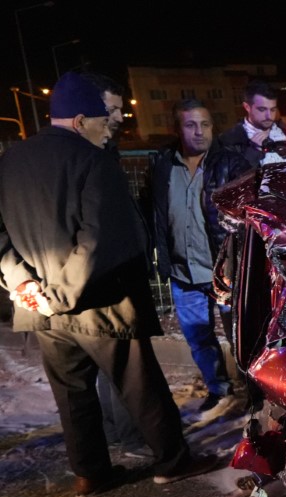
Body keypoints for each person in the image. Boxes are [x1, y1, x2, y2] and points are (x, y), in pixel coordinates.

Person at [0, 72, 215, 496]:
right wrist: (60, 295)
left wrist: (23, 283)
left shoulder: (9, 161)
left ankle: (90, 473)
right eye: (104, 119)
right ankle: (172, 461)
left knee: (72, 395)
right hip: (100, 303)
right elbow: (100, 240)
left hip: (39, 308)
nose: (110, 126)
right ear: (80, 121)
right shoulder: (94, 161)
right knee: (141, 385)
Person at [149, 99, 248, 417]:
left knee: (242, 337)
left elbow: (249, 214)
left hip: (226, 274)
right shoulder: (163, 164)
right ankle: (219, 390)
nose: (199, 131)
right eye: (191, 125)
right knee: (198, 339)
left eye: (205, 124)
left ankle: (252, 392)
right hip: (183, 274)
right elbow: (155, 213)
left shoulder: (231, 164)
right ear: (177, 128)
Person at [86, 74, 151, 457]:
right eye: (109, 108)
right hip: (103, 273)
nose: (117, 116)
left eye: (119, 108)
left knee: (110, 362)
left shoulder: (104, 149)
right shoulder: (89, 155)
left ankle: (117, 431)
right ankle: (129, 435)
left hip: (109, 269)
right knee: (119, 361)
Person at [213, 81, 286, 168]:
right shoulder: (230, 140)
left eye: (273, 109)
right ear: (247, 107)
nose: (269, 116)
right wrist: (253, 152)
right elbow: (229, 180)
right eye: (262, 109)